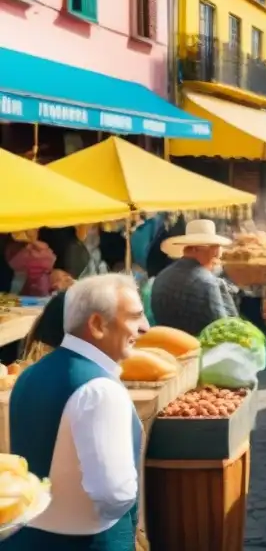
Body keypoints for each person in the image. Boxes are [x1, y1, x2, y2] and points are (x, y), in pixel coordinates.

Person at [7, 274, 147, 549]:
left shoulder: (30, 373)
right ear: (96, 324)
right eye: (134, 317)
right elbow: (114, 493)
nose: (144, 327)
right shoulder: (100, 389)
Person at [150, 219, 237, 335]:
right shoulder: (207, 283)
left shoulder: (161, 277)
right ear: (198, 250)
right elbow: (224, 331)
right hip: (198, 350)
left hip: (167, 347)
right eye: (215, 248)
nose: (217, 255)